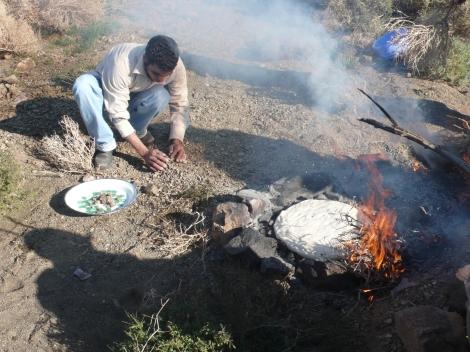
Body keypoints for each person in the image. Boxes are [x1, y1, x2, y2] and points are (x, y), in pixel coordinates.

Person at [72, 35, 190, 171]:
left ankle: (137, 129)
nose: (162, 81)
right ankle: (105, 144)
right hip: (107, 94)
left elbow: (180, 103)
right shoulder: (121, 62)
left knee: (161, 93)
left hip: (135, 95)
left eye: (167, 75)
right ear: (146, 60)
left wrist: (176, 139)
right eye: (156, 74)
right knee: (83, 85)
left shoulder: (176, 66)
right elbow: (117, 113)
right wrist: (145, 153)